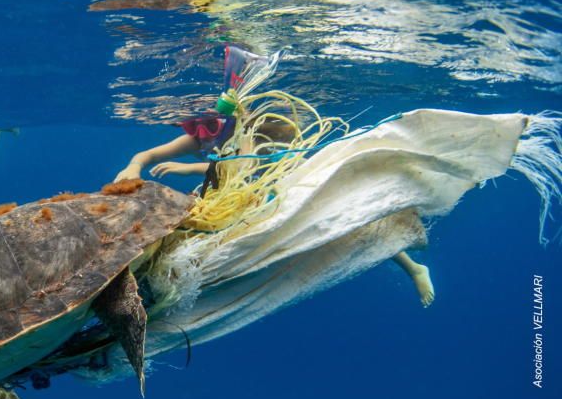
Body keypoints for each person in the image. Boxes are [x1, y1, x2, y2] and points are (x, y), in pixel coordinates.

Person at [113, 115, 436, 308]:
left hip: (277, 185)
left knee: (342, 219)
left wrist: (189, 170)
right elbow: (149, 154)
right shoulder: (207, 132)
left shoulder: (260, 132)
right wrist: (134, 166)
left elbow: (243, 168)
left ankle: (412, 267)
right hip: (238, 193)